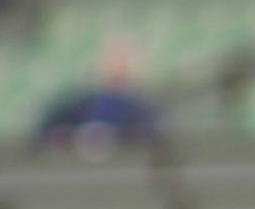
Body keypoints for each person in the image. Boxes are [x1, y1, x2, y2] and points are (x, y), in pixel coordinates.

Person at [32, 36, 162, 151]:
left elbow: (147, 142)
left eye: (125, 59)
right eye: (114, 58)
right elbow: (45, 132)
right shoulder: (78, 105)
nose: (119, 65)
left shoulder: (144, 112)